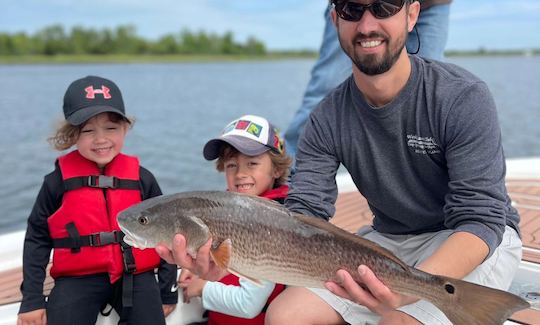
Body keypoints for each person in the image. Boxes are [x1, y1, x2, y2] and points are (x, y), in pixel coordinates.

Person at [157, 1, 522, 324]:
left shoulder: (461, 96)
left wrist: (411, 289)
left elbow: (481, 217)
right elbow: (303, 216)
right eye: (352, 9)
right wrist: (231, 264)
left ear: (412, 14)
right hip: (391, 239)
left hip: (471, 237)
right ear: (336, 20)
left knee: (399, 321)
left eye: (383, 7)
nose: (366, 25)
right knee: (285, 316)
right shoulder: (327, 117)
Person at [17, 76, 178, 325]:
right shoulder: (56, 181)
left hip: (136, 275)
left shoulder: (143, 178)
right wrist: (32, 299)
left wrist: (167, 290)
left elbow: (170, 232)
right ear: (72, 135)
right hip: (76, 279)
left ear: (125, 129)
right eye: (88, 130)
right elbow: (37, 237)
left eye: (111, 128)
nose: (101, 139)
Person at [284, 0, 451, 166]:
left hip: (433, 4)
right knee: (326, 89)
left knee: (429, 98)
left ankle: (428, 180)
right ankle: (288, 170)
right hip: (352, 6)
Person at [178, 114, 291, 324]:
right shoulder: (224, 212)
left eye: (252, 163)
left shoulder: (272, 223)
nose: (240, 174)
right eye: (231, 165)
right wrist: (194, 263)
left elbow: (248, 304)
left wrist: (203, 288)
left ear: (277, 169)